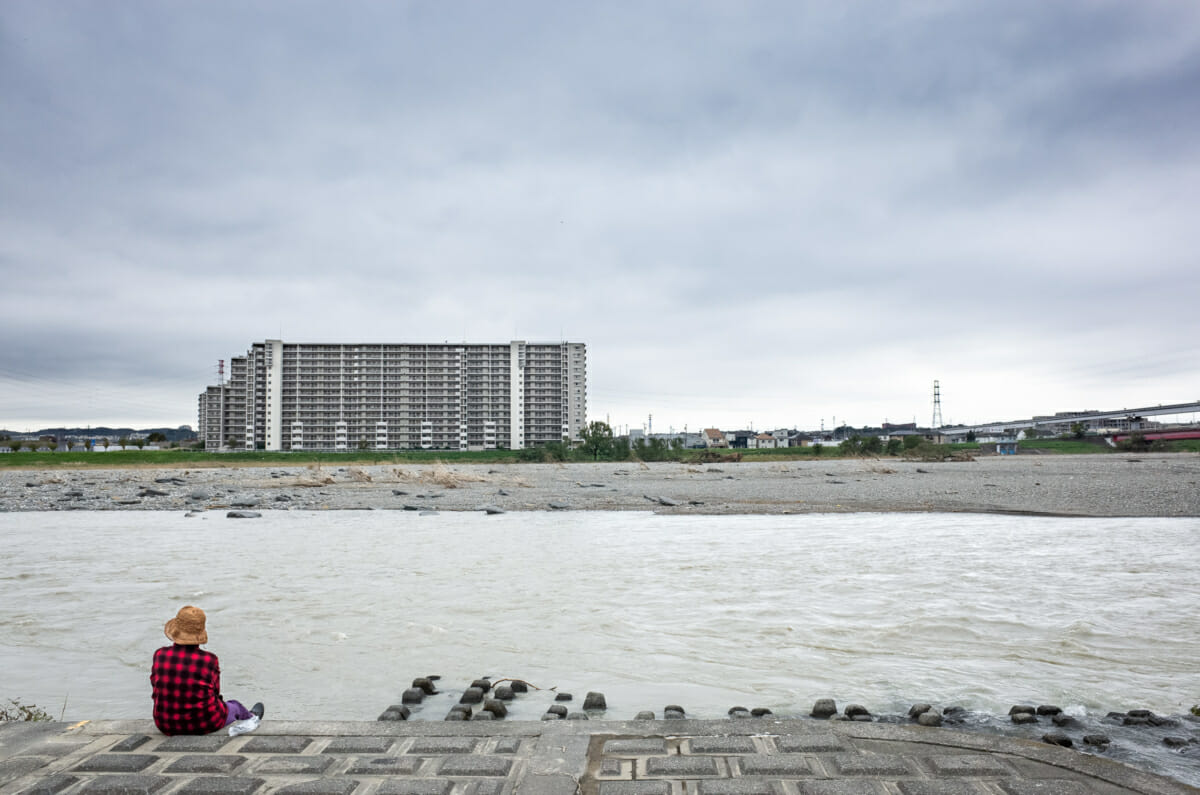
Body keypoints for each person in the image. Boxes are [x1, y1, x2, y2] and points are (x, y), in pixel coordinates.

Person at [151, 605, 264, 735]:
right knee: (235, 706)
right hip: (203, 723)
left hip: (165, 723)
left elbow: (156, 687)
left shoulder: (159, 655)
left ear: (176, 632)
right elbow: (215, 693)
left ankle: (249, 716)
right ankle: (252, 718)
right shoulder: (209, 660)